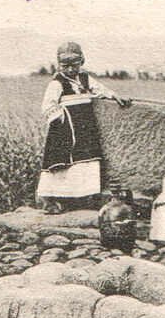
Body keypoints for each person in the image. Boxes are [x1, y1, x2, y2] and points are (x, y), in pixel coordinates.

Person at [36, 41, 129, 212]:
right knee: (64, 163)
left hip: (85, 128)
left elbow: (100, 90)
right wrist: (61, 122)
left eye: (75, 64)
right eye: (66, 65)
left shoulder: (86, 79)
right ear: (59, 65)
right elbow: (47, 106)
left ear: (82, 62)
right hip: (65, 129)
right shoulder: (56, 83)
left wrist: (115, 96)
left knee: (87, 159)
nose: (71, 69)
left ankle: (84, 198)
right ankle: (52, 201)